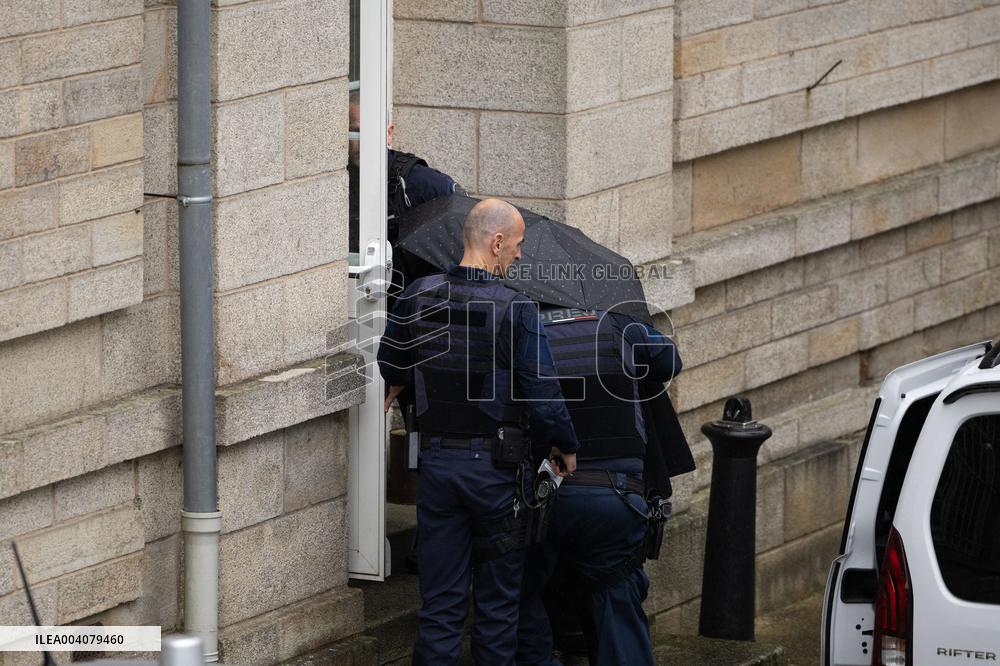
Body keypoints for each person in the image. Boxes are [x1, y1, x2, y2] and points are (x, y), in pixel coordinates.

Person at [377, 198, 580, 665]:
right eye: (518, 245)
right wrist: (566, 446)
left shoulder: (417, 295)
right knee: (497, 608)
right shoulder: (516, 309)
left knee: (441, 606)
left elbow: (391, 365)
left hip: (438, 469)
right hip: (496, 474)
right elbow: (542, 392)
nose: (520, 256)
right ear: (496, 242)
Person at [517, 305, 682, 666]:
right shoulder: (620, 327)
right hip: (616, 499)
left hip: (547, 498)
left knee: (520, 596)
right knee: (617, 599)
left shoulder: (526, 331)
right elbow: (670, 362)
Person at [348, 90, 462, 253]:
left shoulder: (419, 181)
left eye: (371, 132)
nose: (363, 142)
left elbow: (461, 220)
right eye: (355, 132)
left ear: (389, 134)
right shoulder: (338, 177)